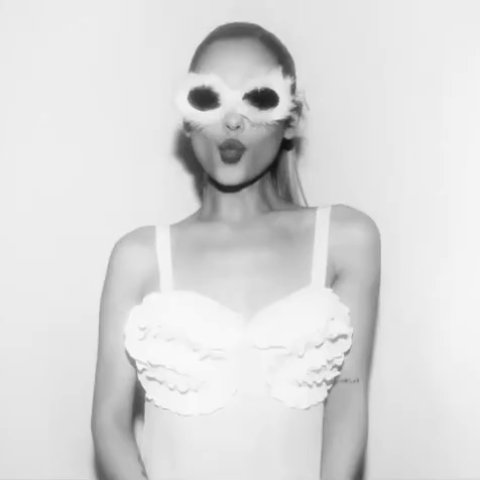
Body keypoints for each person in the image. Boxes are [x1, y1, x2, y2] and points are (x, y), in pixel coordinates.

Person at [91, 21, 381, 480]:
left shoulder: (347, 240)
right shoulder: (138, 257)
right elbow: (109, 423)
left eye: (258, 97)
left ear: (292, 120)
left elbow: (348, 401)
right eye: (209, 98)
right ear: (187, 118)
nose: (232, 120)